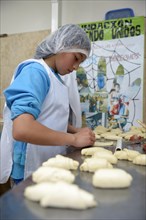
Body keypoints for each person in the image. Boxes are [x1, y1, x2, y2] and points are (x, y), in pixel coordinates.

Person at [0, 24, 95, 184]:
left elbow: (49, 117)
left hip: (47, 163)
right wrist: (73, 139)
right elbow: (22, 129)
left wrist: (75, 131)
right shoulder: (35, 72)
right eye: (76, 58)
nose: (76, 67)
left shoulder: (55, 77)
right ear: (61, 46)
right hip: (29, 167)